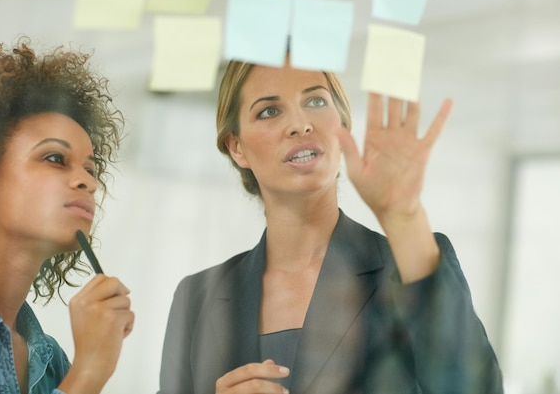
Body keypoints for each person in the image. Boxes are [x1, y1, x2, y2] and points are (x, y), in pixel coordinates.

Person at [157, 55, 503, 393]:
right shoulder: (196, 299)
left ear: (343, 127)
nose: (301, 124)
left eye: (316, 101)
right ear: (237, 148)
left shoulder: (412, 266)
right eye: (269, 111)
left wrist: (405, 217)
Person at [0, 37, 135, 394]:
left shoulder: (52, 362)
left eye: (91, 169)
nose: (87, 182)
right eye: (55, 158)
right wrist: (88, 374)